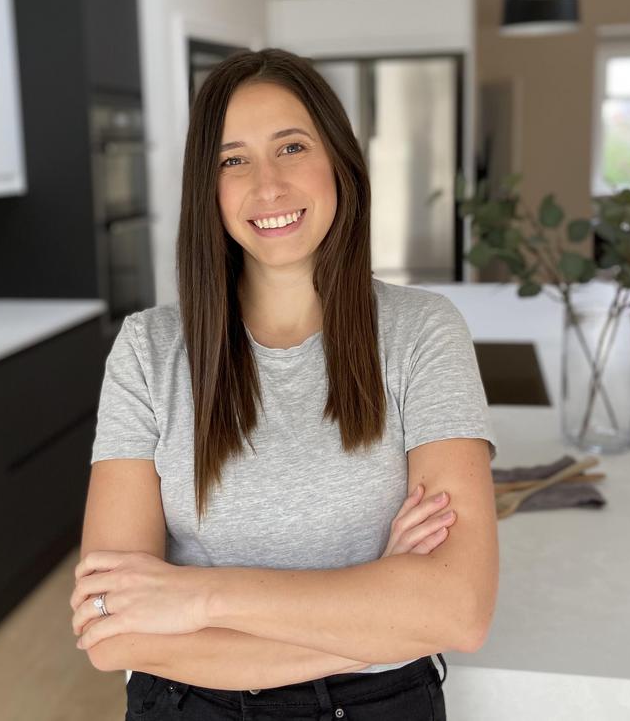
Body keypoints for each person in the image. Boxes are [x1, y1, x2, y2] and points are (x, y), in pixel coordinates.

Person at [75, 47, 499, 720]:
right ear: (206, 187)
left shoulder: (423, 333)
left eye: (291, 147)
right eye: (232, 159)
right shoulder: (149, 350)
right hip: (188, 705)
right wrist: (372, 622)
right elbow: (113, 631)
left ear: (337, 160)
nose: (266, 186)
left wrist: (198, 599)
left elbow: (459, 609)